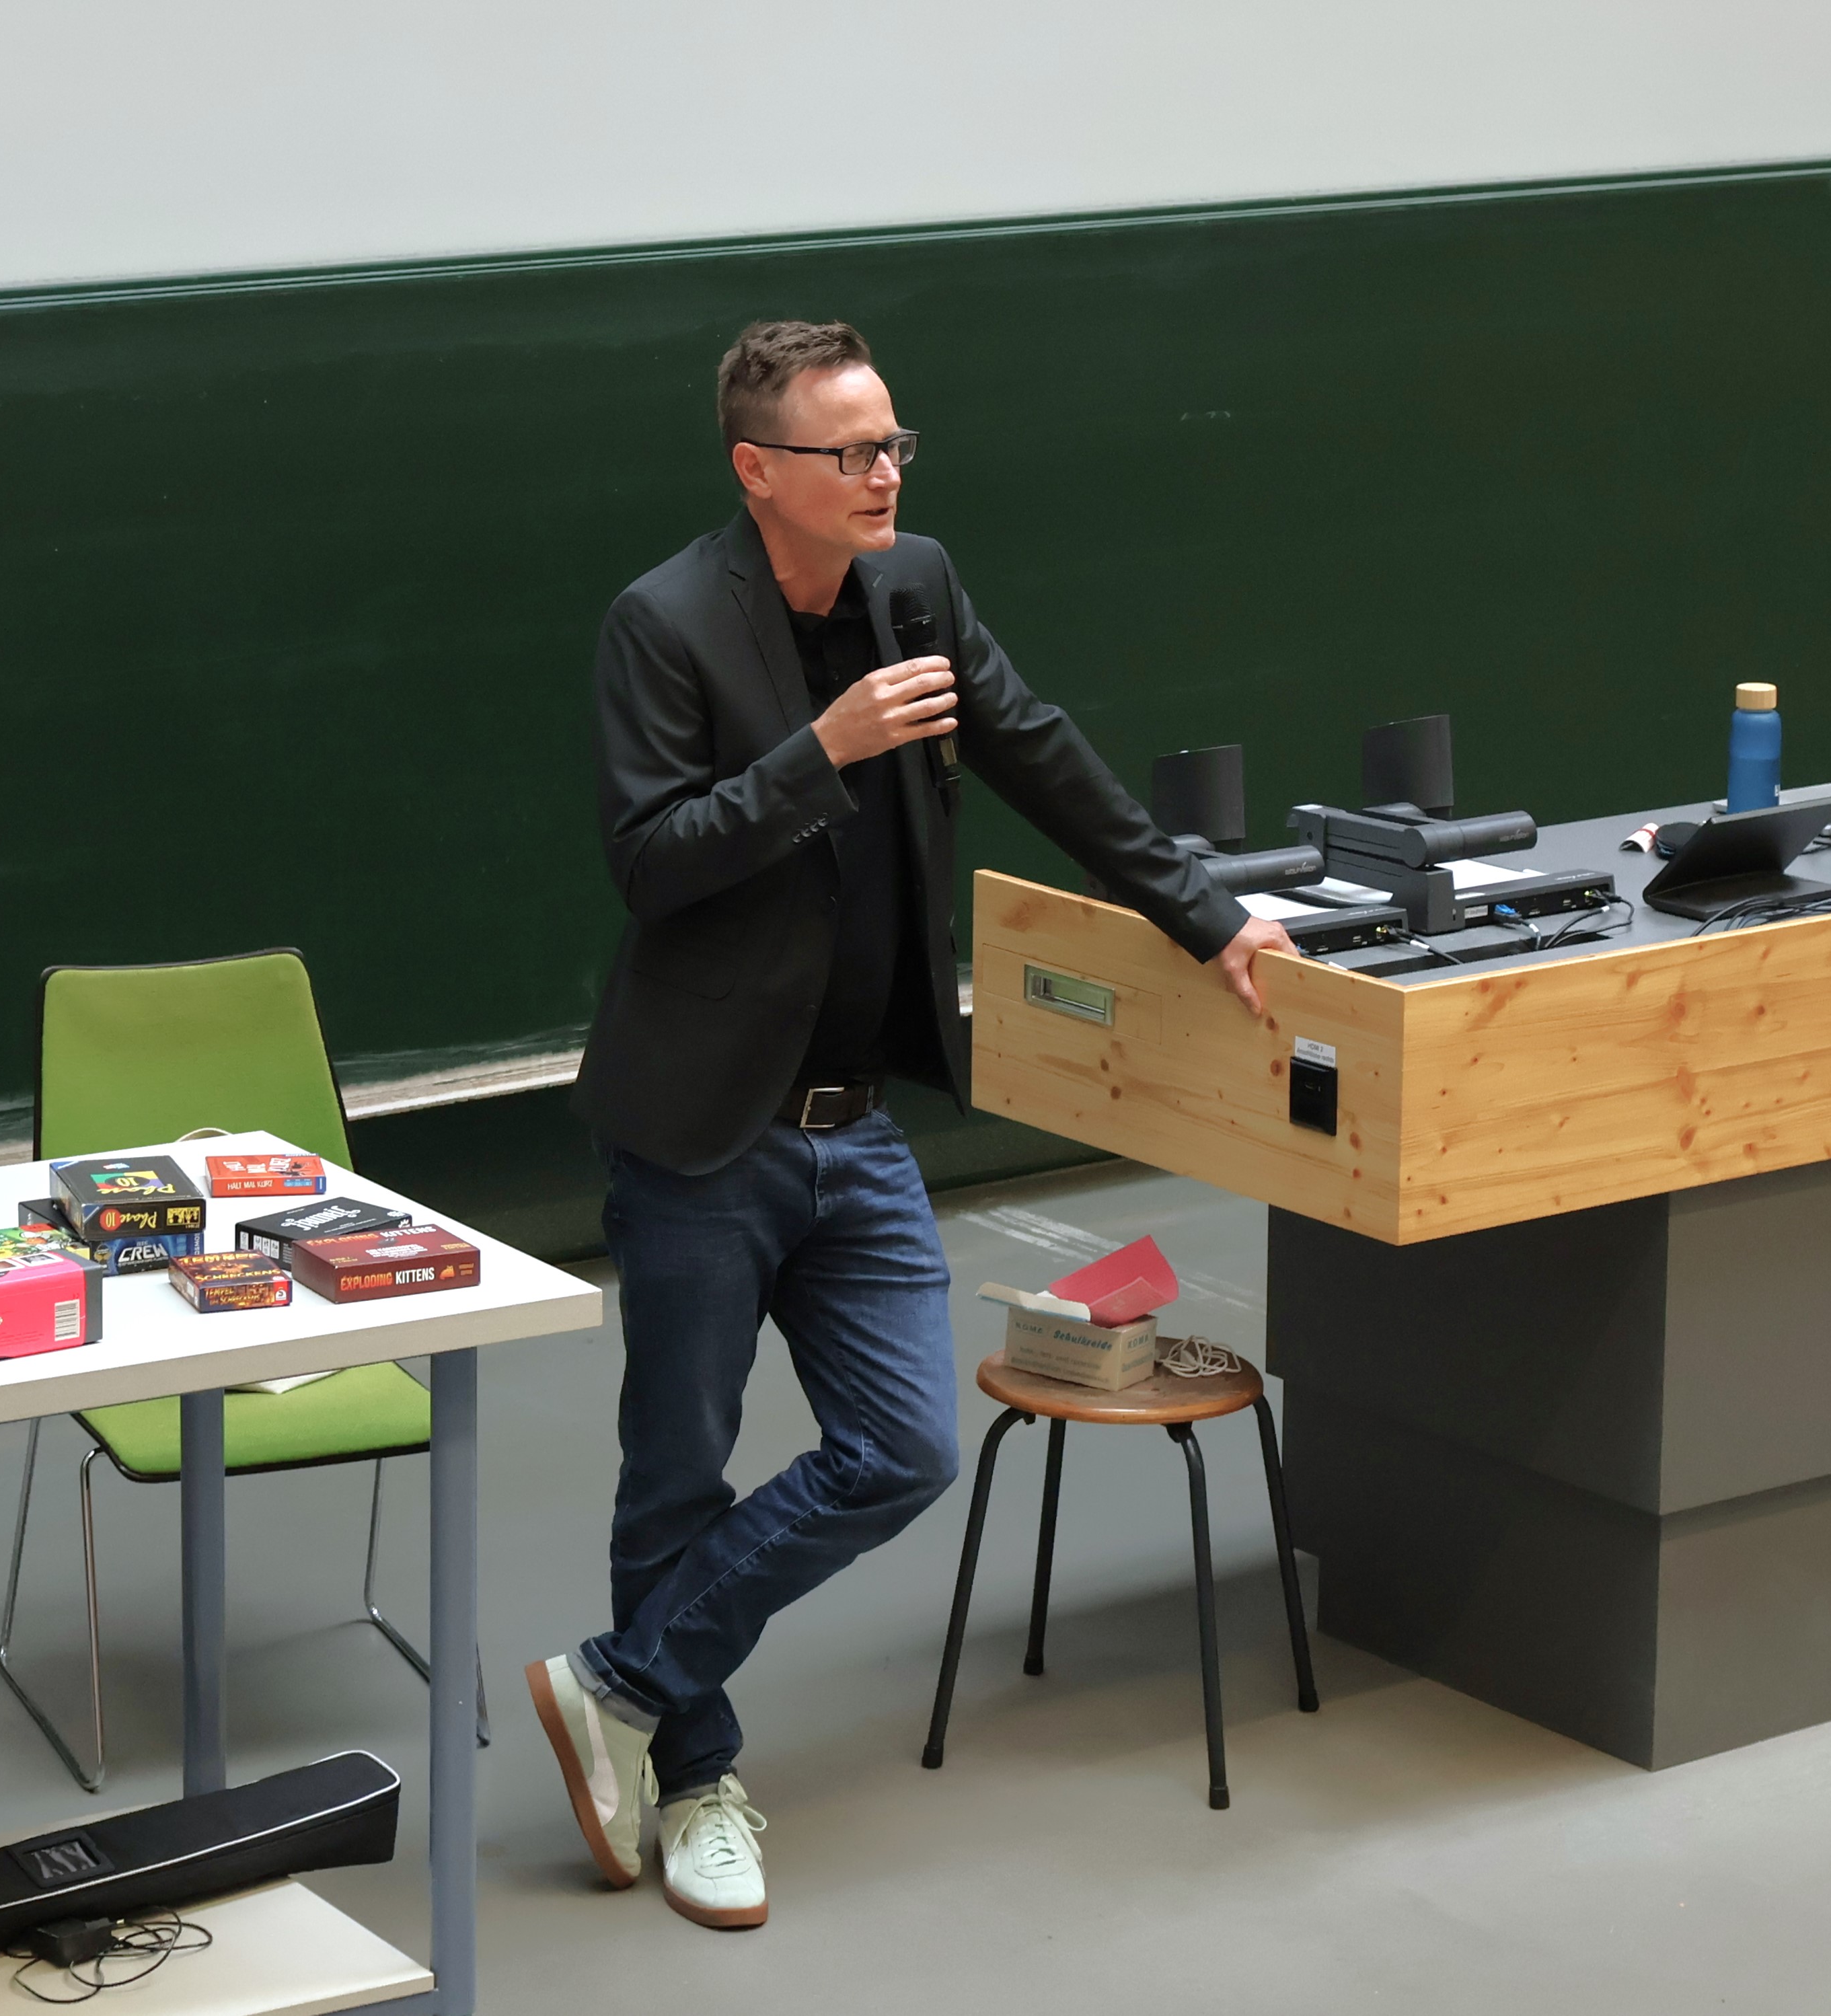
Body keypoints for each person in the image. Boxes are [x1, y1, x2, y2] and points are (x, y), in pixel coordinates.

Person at [526, 320, 1290, 1931]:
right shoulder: (664, 623)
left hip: (856, 1116)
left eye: (894, 445)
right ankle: (697, 1781)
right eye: (851, 452)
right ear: (758, 469)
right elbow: (651, 862)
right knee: (677, 1471)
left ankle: (620, 1683)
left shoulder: (917, 586)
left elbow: (1039, 750)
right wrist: (822, 752)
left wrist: (1206, 911)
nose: (884, 475)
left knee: (902, 1449)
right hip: (703, 1125)